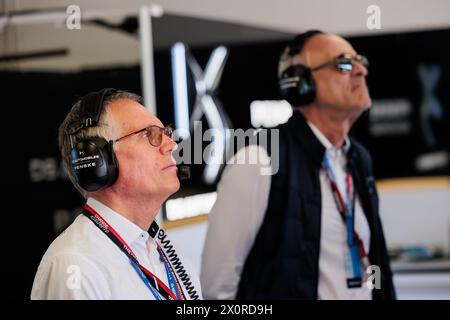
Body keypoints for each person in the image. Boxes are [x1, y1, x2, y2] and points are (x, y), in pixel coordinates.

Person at [201, 30, 396, 300]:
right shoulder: (259, 160)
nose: (361, 70)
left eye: (359, 60)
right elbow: (217, 289)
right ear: (300, 84)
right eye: (344, 63)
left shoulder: (358, 159)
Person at [31, 88, 201, 300]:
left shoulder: (167, 258)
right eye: (149, 134)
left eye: (165, 133)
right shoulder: (76, 266)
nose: (172, 145)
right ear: (98, 160)